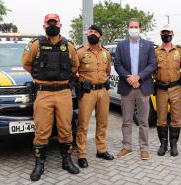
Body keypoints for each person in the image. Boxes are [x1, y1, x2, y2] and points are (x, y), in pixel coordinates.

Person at [22, 13, 79, 181]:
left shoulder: (68, 45)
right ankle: (39, 164)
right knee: (42, 130)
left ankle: (66, 161)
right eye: (49, 23)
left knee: (65, 128)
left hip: (63, 93)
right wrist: (39, 75)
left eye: (55, 23)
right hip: (44, 93)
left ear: (60, 25)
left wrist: (65, 76)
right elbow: (26, 63)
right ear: (44, 25)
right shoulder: (35, 44)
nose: (52, 25)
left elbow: (75, 65)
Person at [114, 18, 156, 160]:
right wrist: (129, 78)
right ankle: (127, 147)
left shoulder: (149, 45)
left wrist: (138, 77)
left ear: (140, 29)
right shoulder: (121, 45)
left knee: (144, 121)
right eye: (131, 26)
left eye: (136, 26)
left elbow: (152, 65)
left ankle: (144, 148)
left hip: (142, 86)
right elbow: (118, 64)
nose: (133, 29)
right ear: (127, 28)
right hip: (127, 87)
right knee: (126, 120)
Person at [76, 25, 114, 168]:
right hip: (87, 93)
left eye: (95, 32)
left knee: (103, 122)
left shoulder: (106, 53)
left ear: (100, 36)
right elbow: (74, 71)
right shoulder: (80, 52)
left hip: (103, 91)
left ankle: (101, 150)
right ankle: (81, 154)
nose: (92, 34)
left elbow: (108, 71)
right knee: (83, 124)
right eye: (90, 31)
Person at [154, 24, 181, 157]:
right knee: (161, 118)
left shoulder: (179, 51)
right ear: (161, 35)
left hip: (175, 88)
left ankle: (174, 144)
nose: (165, 35)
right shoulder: (156, 51)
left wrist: (180, 78)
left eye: (168, 33)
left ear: (172, 34)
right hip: (161, 88)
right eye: (163, 33)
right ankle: (163, 144)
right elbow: (152, 68)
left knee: (176, 117)